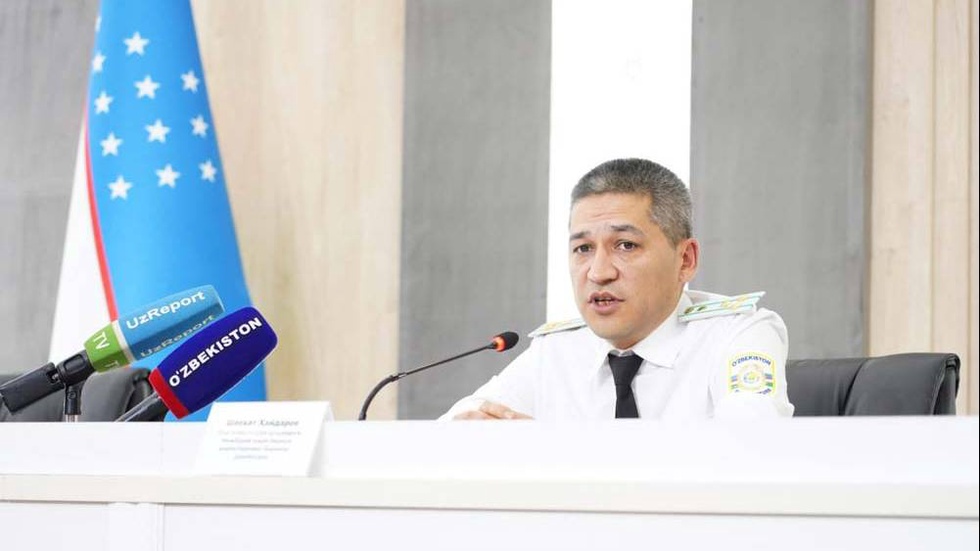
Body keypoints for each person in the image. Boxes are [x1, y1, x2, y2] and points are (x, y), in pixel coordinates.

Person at [443, 158, 794, 420]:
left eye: (625, 245)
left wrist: (553, 452)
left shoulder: (738, 334)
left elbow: (744, 450)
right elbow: (461, 423)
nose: (599, 273)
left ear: (685, 260)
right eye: (583, 248)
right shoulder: (556, 350)